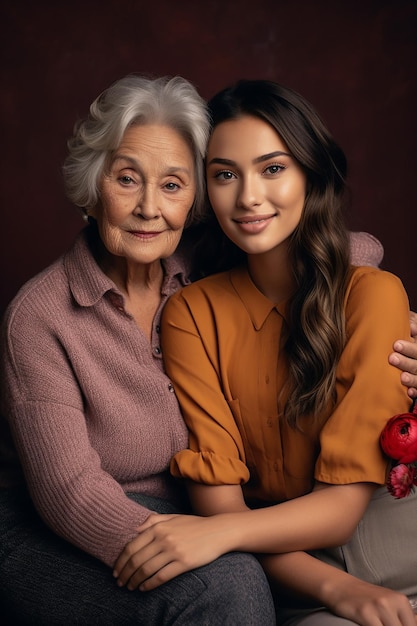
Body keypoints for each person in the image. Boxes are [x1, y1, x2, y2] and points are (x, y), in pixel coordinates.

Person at [113, 80, 417, 626]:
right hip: (285, 566)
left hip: (395, 536)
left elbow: (341, 508)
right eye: (225, 174)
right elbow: (219, 502)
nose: (249, 197)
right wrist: (337, 590)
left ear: (310, 175)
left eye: (273, 168)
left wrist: (216, 534)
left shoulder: (373, 296)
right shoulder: (191, 315)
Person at [0, 74, 276, 625]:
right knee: (227, 585)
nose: (150, 207)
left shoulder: (205, 269)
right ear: (94, 183)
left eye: (173, 185)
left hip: (196, 511)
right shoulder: (38, 316)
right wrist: (198, 541)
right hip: (46, 529)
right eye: (128, 179)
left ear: (197, 195)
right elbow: (67, 490)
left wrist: (377, 312)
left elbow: (344, 248)